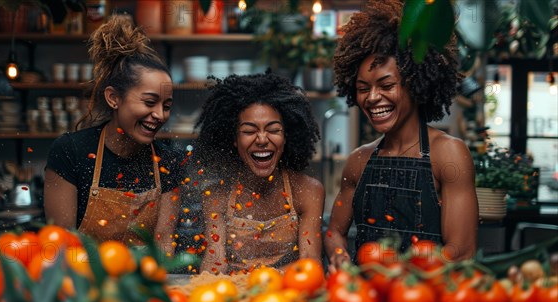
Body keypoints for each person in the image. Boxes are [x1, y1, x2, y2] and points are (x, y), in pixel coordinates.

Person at [324, 0, 478, 271]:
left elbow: (461, 251)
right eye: (363, 88)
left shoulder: (448, 154)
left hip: (423, 301)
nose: (372, 98)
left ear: (416, 83)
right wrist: (339, 255)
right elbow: (334, 231)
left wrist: (400, 273)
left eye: (386, 85)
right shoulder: (358, 161)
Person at [44, 15, 184, 251]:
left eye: (166, 106)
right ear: (113, 98)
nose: (160, 115)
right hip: (82, 282)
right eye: (150, 102)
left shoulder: (168, 162)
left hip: (142, 282)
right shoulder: (71, 152)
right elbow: (60, 246)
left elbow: (164, 245)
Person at [194, 72, 324, 274]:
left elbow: (310, 263)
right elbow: (214, 263)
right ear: (234, 139)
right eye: (248, 131)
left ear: (286, 137)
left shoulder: (308, 191)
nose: (262, 139)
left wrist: (264, 279)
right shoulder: (216, 196)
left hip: (288, 295)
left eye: (273, 129)